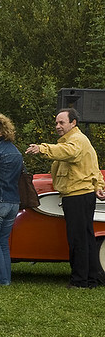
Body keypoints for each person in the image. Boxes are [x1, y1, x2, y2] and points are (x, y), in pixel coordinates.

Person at [26, 108, 105, 288]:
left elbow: (67, 152)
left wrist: (42, 148)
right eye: (56, 123)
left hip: (77, 195)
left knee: (78, 239)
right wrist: (98, 186)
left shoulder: (75, 141)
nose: (58, 126)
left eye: (62, 122)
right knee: (86, 238)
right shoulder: (81, 140)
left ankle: (79, 281)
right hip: (83, 194)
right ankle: (90, 279)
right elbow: (93, 167)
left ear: (73, 123)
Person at [0, 114, 23, 285]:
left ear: (0, 131)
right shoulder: (16, 152)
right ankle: (5, 277)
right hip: (13, 202)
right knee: (3, 241)